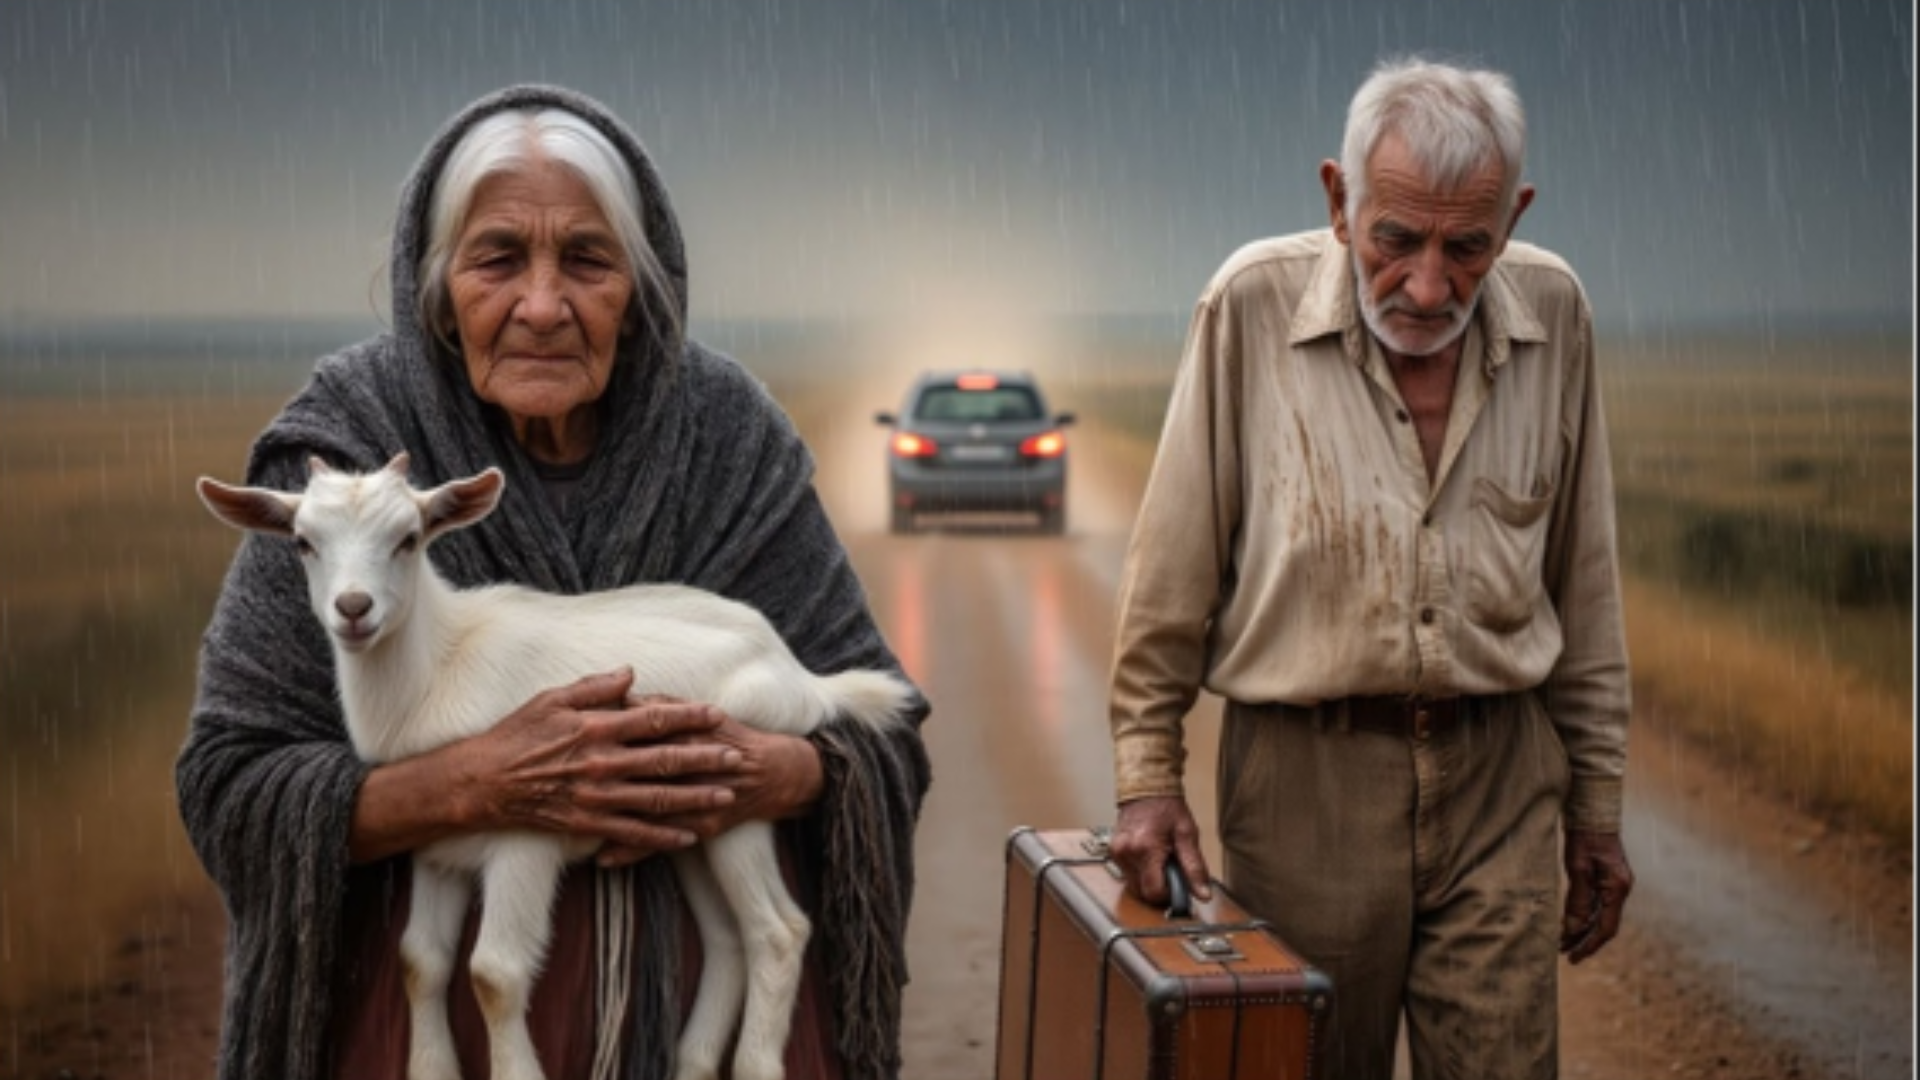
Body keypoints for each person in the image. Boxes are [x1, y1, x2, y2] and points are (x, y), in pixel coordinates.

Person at [176, 84, 931, 1080]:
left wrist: (764, 769)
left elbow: (880, 738)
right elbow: (231, 787)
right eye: (496, 259)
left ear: (642, 284)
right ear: (435, 286)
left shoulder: (727, 437)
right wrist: (481, 785)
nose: (542, 305)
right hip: (412, 1042)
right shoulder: (344, 445)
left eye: (587, 259)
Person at [1105, 57, 1634, 1080]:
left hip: (1502, 780)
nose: (1431, 286)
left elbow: (1586, 583)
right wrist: (1146, 781)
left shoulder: (1555, 314)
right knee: (1303, 1064)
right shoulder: (1250, 307)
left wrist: (1598, 808)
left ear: (1512, 219)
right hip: (1305, 786)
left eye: (1467, 247)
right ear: (1339, 200)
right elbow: (1166, 578)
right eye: (1398, 240)